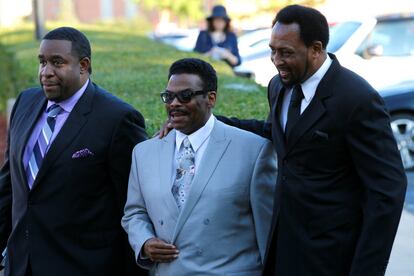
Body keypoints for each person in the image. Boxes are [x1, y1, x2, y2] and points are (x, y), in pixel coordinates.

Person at [215, 5, 407, 275]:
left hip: (332, 256)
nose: (275, 59)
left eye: (286, 53)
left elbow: (388, 190)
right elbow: (279, 134)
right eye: (273, 49)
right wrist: (207, 123)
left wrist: (367, 269)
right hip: (283, 245)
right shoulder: (278, 85)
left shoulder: (357, 99)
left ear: (316, 49)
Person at [0, 27, 148, 276]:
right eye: (42, 62)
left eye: (57, 62)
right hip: (20, 265)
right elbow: (9, 186)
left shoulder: (117, 119)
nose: (46, 72)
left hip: (81, 266)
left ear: (83, 65)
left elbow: (131, 206)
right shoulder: (26, 102)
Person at [121, 58, 277, 275]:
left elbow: (268, 231)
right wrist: (145, 242)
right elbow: (134, 212)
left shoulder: (254, 150)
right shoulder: (144, 152)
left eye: (185, 96)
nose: (174, 103)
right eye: (169, 96)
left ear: (210, 98)